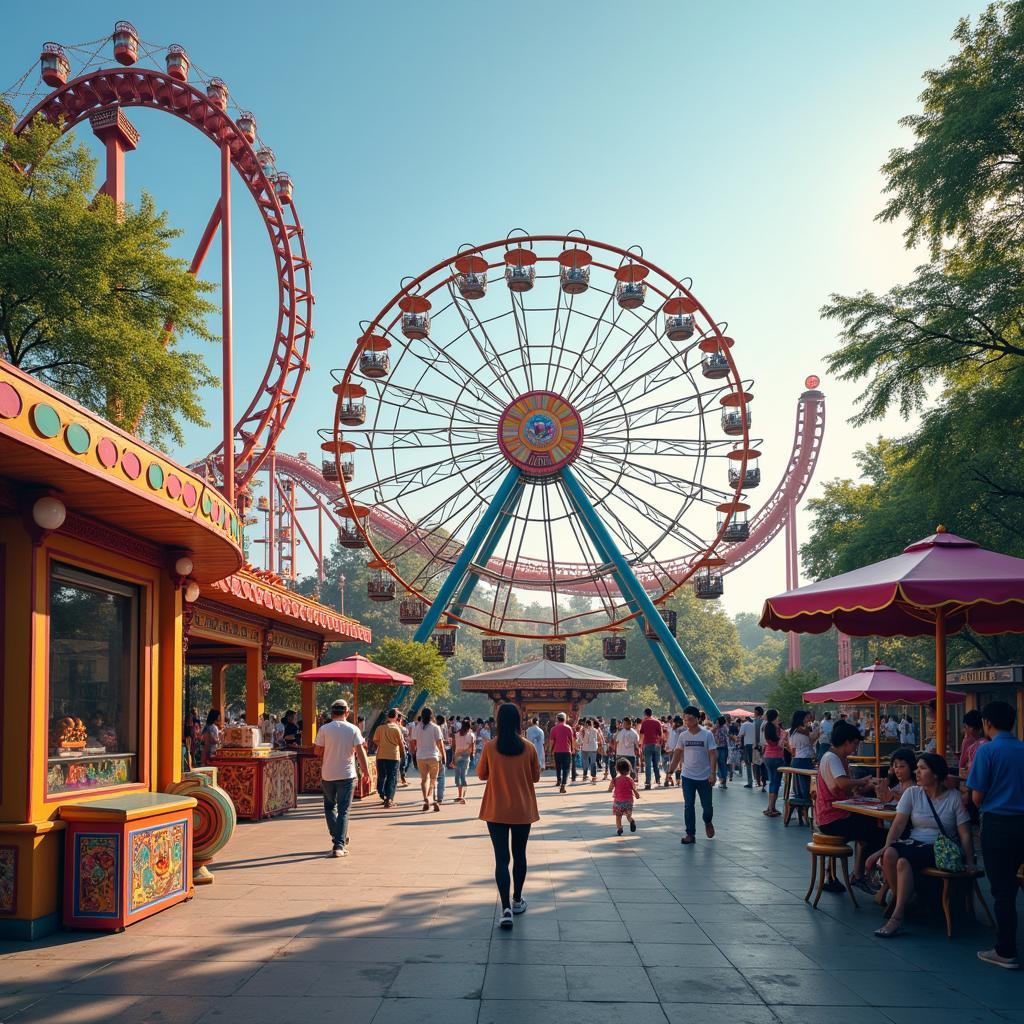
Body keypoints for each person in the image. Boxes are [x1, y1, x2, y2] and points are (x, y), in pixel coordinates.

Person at [866, 753, 975, 938]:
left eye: (923, 768)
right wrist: (883, 849)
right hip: (915, 843)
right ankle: (906, 902)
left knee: (902, 860)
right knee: (891, 854)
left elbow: (965, 833)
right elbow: (898, 825)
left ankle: (897, 916)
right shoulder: (912, 793)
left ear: (936, 774)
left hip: (940, 848)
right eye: (917, 767)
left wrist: (970, 860)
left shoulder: (953, 797)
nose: (917, 772)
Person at [968, 700, 1024, 970]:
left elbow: (976, 796)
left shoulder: (987, 752)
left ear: (987, 724)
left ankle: (1005, 950)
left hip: (998, 824)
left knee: (1002, 889)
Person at [477, 703, 540, 930]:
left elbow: (481, 774)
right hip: (522, 810)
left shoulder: (490, 747)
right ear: (518, 721)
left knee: (501, 859)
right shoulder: (529, 747)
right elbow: (535, 777)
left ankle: (505, 909)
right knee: (520, 855)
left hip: (496, 810)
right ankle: (517, 899)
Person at [815, 719, 883, 892]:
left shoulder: (838, 758)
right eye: (855, 743)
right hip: (832, 818)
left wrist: (866, 785)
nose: (855, 747)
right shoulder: (832, 758)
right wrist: (863, 780)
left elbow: (848, 788)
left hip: (834, 815)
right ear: (846, 742)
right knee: (877, 835)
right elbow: (842, 784)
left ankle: (857, 874)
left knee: (868, 824)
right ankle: (863, 875)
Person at [315, 699, 369, 857]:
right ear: (347, 712)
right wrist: (365, 772)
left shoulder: (324, 729)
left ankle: (337, 837)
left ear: (332, 712)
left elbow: (317, 751)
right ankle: (339, 844)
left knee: (329, 807)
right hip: (347, 775)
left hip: (328, 774)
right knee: (344, 810)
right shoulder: (353, 729)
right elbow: (360, 752)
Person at [671, 705, 717, 844]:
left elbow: (713, 754)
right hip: (687, 776)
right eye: (686, 719)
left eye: (691, 718)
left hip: (705, 777)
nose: (688, 721)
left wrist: (713, 774)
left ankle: (708, 821)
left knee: (707, 807)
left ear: (698, 719)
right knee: (688, 805)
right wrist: (670, 770)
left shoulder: (707, 734)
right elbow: (678, 753)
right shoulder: (683, 735)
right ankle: (690, 834)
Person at [410, 707, 446, 812]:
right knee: (433, 780)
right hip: (433, 756)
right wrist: (444, 756)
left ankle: (427, 799)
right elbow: (440, 743)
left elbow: (413, 742)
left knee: (424, 780)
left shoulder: (417, 727)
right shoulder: (435, 727)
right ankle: (431, 800)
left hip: (420, 756)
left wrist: (415, 752)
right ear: (431, 715)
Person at [787, 709, 817, 823]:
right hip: (803, 760)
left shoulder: (794, 731)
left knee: (800, 788)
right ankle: (806, 816)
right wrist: (818, 730)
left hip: (799, 760)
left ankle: (803, 815)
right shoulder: (801, 731)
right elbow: (811, 740)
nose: (807, 720)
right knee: (805, 789)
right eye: (805, 718)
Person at [373, 708, 405, 808]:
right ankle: (389, 798)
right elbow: (401, 744)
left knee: (382, 776)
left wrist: (383, 745)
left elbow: (375, 740)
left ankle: (382, 793)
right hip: (393, 756)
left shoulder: (380, 728)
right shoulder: (396, 729)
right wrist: (403, 754)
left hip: (381, 755)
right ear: (396, 717)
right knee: (392, 777)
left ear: (387, 717)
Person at [762, 709, 786, 817]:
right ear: (776, 717)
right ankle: (772, 808)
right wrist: (784, 736)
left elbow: (769, 743)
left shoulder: (767, 727)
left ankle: (769, 807)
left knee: (772, 782)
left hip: (768, 757)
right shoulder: (777, 729)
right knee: (776, 783)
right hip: (777, 757)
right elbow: (779, 744)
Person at [609, 757, 640, 835]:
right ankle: (631, 821)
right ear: (629, 769)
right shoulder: (630, 779)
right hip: (628, 801)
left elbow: (610, 788)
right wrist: (637, 794)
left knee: (618, 816)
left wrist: (611, 787)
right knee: (628, 815)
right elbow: (633, 788)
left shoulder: (615, 780)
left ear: (617, 770)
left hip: (618, 801)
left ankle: (619, 828)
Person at [549, 712, 575, 793]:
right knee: (566, 768)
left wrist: (551, 750)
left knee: (558, 767)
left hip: (557, 751)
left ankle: (558, 780)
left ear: (557, 719)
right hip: (566, 751)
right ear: (565, 719)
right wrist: (572, 749)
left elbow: (551, 741)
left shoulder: (553, 729)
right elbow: (571, 740)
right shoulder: (568, 728)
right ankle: (563, 785)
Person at [740, 707, 765, 789]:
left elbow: (757, 734)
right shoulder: (763, 721)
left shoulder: (757, 722)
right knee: (761, 764)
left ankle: (753, 782)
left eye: (754, 712)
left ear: (757, 712)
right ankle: (762, 782)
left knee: (752, 764)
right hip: (761, 745)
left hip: (754, 745)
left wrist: (757, 745)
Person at [638, 708, 663, 789]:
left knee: (648, 765)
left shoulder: (644, 723)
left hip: (647, 745)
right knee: (656, 764)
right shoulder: (657, 722)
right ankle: (658, 780)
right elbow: (661, 735)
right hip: (656, 745)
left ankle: (648, 782)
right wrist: (659, 743)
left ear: (645, 714)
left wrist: (640, 745)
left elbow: (641, 735)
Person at [453, 717, 476, 804]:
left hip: (457, 756)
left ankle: (461, 796)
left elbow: (454, 747)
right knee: (462, 776)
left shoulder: (456, 734)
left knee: (458, 777)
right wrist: (472, 756)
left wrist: (453, 758)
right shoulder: (471, 735)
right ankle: (462, 796)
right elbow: (472, 748)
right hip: (465, 757)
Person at [580, 718, 602, 782]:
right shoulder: (595, 730)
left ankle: (585, 775)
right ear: (592, 724)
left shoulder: (583, 730)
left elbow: (580, 738)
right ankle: (594, 776)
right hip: (593, 748)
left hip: (584, 748)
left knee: (585, 762)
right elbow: (599, 739)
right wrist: (599, 745)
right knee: (593, 762)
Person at [712, 716, 730, 790]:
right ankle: (723, 781)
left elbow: (717, 740)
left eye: (717, 722)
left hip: (719, 748)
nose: (716, 723)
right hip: (725, 748)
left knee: (720, 764)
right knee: (723, 764)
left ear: (719, 722)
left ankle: (722, 780)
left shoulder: (718, 729)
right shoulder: (725, 727)